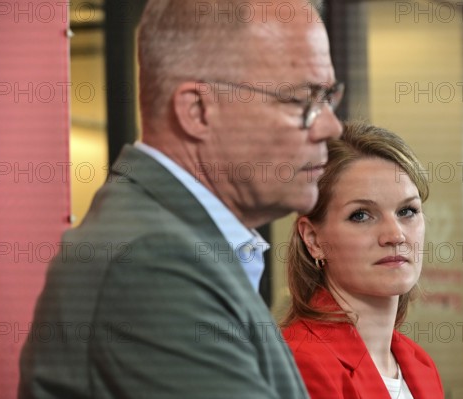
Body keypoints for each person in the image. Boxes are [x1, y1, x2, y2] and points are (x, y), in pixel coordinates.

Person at [19, 1, 343, 398]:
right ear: (198, 110)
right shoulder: (151, 263)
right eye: (303, 100)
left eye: (329, 97)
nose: (331, 126)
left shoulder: (173, 243)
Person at [281, 121, 444, 399]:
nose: (395, 235)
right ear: (313, 240)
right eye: (361, 215)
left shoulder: (420, 363)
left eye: (407, 210)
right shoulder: (299, 364)